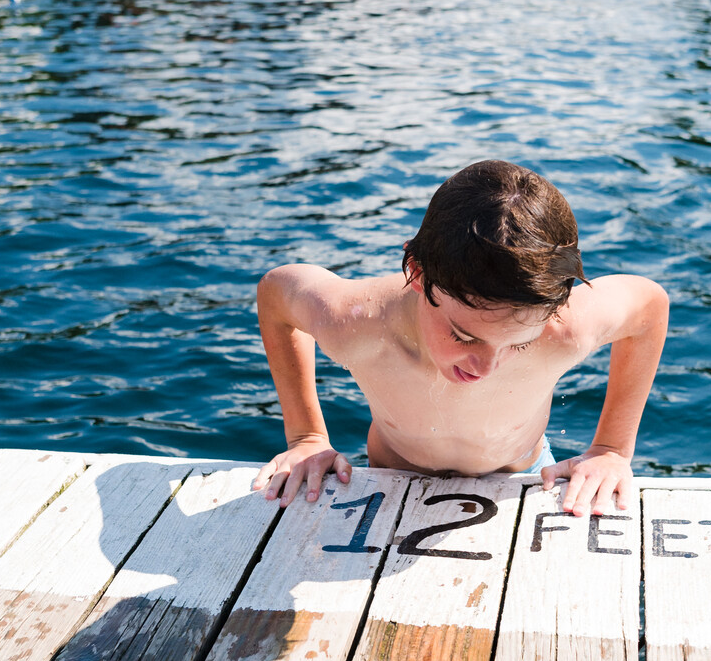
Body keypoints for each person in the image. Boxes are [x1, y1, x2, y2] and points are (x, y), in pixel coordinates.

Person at [254, 159, 668, 517]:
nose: (486, 367)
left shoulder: (565, 328)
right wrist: (306, 436)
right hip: (390, 475)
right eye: (465, 336)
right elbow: (276, 294)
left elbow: (649, 308)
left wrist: (612, 449)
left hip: (520, 476)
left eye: (519, 344)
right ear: (416, 273)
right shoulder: (355, 321)